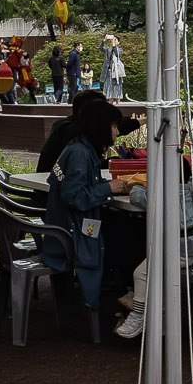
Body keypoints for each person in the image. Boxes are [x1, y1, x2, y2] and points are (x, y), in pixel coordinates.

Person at [48, 94, 130, 337]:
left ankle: (128, 300)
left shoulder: (79, 148)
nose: (117, 132)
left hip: (67, 227)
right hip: (72, 234)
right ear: (101, 127)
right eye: (114, 126)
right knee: (132, 241)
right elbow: (75, 197)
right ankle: (132, 302)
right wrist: (109, 188)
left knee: (125, 232)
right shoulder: (81, 154)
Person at [101, 34, 127, 101]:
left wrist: (113, 43)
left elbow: (116, 53)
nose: (113, 41)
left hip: (116, 72)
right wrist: (104, 40)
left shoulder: (120, 50)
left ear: (118, 42)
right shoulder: (108, 49)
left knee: (117, 87)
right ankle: (110, 103)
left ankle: (118, 103)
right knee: (109, 88)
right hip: (108, 71)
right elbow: (101, 47)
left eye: (115, 40)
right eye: (113, 39)